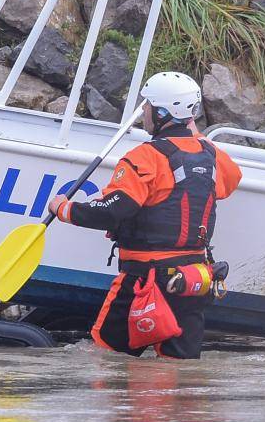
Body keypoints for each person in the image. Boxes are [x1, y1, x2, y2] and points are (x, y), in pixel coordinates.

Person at [48, 71, 242, 360]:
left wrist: (64, 209)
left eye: (147, 106)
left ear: (162, 113)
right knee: (181, 373)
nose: (144, 113)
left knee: (106, 359)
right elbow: (230, 181)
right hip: (193, 281)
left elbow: (114, 211)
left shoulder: (143, 157)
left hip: (144, 282)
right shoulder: (213, 156)